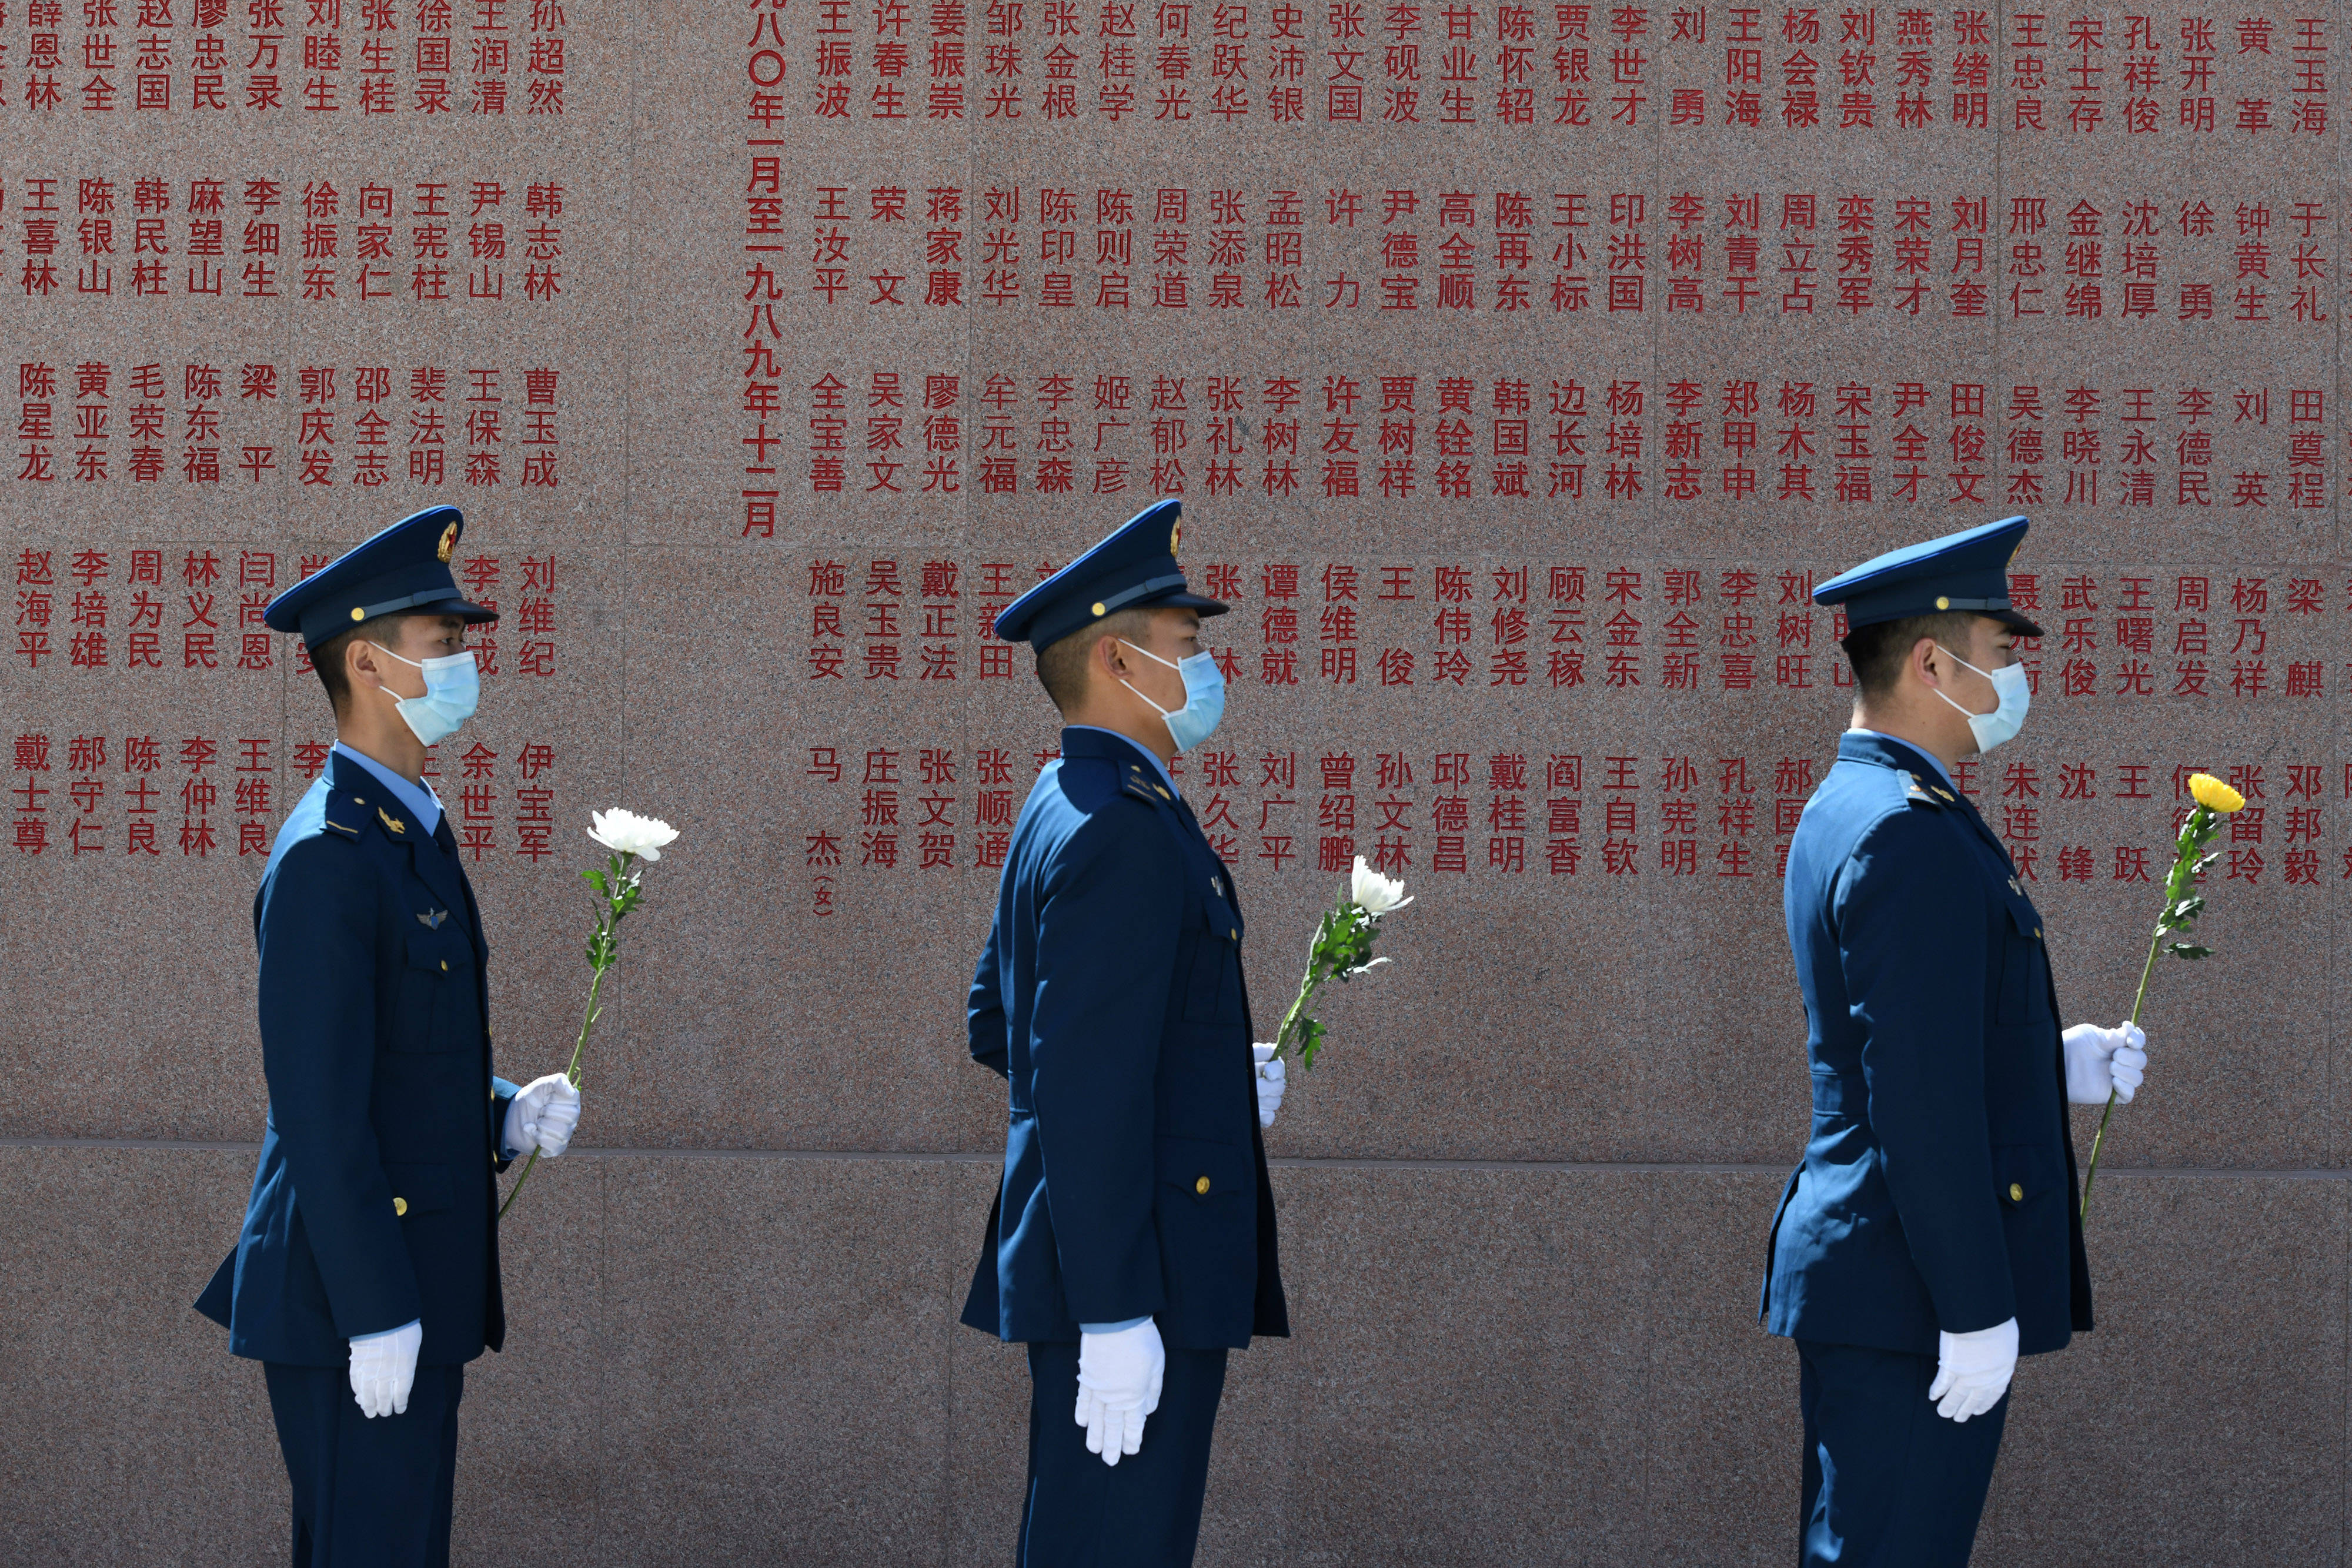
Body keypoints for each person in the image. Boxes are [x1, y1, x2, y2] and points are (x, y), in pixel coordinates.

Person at [1759, 514, 2153, 1565]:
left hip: (1883, 1275)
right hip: (1911, 1291)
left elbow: (1913, 1043)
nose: (2016, 677)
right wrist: (1977, 1311)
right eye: (2000, 655)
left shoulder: (1864, 805)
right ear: (1930, 661)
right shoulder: (1903, 830)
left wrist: (2047, 1060)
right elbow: (1917, 1103)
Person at [194, 505, 583, 1568]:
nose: (463, 664)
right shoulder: (331, 853)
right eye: (442, 645)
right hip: (351, 1300)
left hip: (404, 1285)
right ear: (368, 664)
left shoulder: (404, 826)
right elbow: (317, 1109)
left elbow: (397, 1056)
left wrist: (502, 1111)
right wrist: (374, 1311)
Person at [962, 498, 1290, 1568]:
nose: (1205, 671)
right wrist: (1113, 1312)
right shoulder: (1117, 830)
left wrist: (1204, 1076)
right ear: (1119, 660)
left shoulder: (1067, 801)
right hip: (1133, 1272)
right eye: (1187, 647)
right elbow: (1078, 1079)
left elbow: (1004, 1024)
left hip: (1119, 1257)